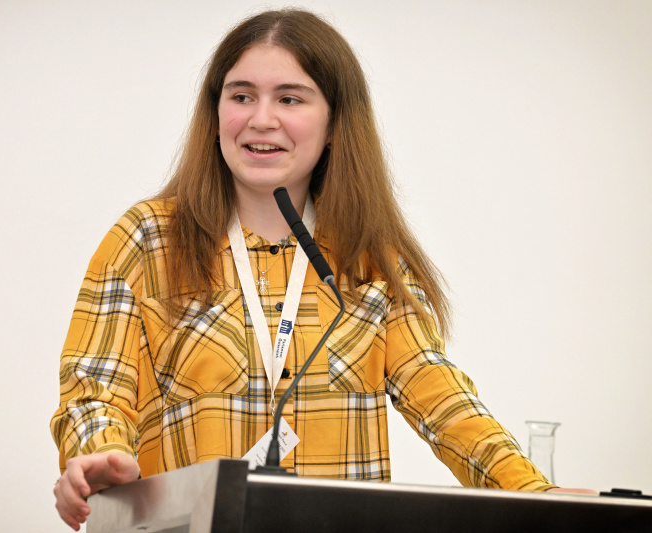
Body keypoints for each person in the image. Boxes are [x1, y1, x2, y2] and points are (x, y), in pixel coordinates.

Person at [51, 9, 590, 531]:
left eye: (290, 98)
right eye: (241, 96)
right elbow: (94, 391)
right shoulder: (147, 239)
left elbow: (444, 401)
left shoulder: (369, 257)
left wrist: (534, 494)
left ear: (334, 124)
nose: (261, 119)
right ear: (215, 115)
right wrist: (100, 453)